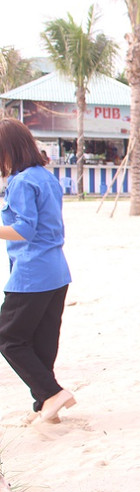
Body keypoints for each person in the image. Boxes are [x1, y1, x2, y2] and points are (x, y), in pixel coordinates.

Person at [0, 119, 75, 424]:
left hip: (32, 273)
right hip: (57, 272)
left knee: (8, 337)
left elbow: (24, 230)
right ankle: (46, 404)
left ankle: (52, 393)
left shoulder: (20, 182)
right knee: (42, 341)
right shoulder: (46, 177)